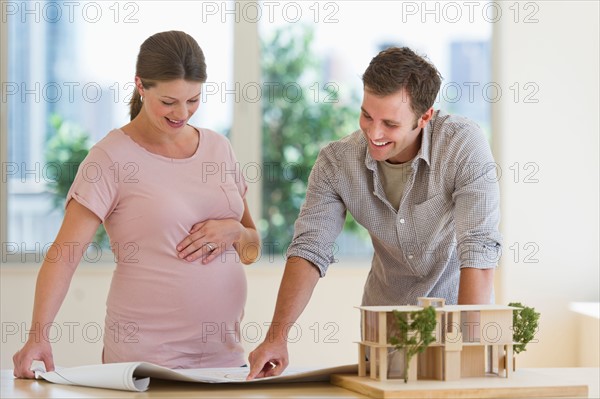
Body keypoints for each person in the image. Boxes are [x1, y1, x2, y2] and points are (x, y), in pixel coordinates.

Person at [13, 30, 261, 378]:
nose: (182, 113)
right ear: (141, 86)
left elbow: (251, 250)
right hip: (145, 361)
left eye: (193, 99)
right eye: (169, 101)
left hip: (225, 360)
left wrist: (235, 231)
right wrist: (38, 335)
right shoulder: (110, 158)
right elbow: (65, 253)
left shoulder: (219, 149)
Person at [246, 47, 502, 379]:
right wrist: (276, 338)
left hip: (458, 323)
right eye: (367, 115)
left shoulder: (461, 145)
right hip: (384, 334)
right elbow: (309, 249)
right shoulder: (337, 163)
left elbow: (479, 251)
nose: (374, 133)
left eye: (390, 124)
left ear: (425, 117)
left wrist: (467, 354)